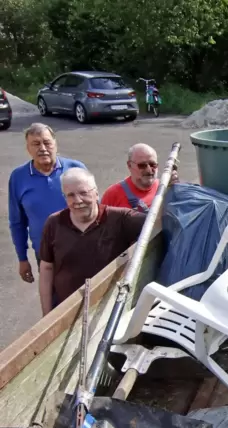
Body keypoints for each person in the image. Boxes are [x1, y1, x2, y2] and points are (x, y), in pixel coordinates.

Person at [38, 168, 146, 315]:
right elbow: (46, 269)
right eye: (70, 195)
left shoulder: (121, 219)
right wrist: (47, 314)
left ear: (96, 193)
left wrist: (171, 188)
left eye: (83, 193)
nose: (78, 200)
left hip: (107, 311)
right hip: (66, 312)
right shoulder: (54, 223)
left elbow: (156, 220)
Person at [8, 123, 87, 284]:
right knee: (55, 303)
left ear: (55, 144)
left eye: (47, 142)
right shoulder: (18, 177)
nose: (42, 148)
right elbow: (17, 223)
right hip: (46, 257)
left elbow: (96, 211)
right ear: (28, 148)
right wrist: (22, 259)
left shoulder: (76, 169)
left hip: (83, 250)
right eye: (36, 144)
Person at [100, 143, 178, 212]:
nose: (148, 170)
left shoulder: (165, 188)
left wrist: (175, 190)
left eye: (152, 164)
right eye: (142, 165)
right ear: (129, 165)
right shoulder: (112, 195)